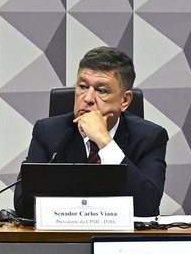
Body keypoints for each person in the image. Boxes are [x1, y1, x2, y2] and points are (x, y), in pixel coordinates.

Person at [14, 46, 167, 217]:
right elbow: (23, 205)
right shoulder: (49, 133)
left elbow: (147, 206)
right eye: (83, 87)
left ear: (124, 100)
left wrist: (105, 142)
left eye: (101, 90)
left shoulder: (150, 138)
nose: (87, 98)